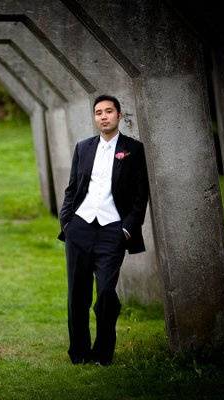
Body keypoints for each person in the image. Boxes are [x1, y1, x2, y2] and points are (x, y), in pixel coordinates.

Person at [57, 94, 149, 366]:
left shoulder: (133, 149)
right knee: (77, 294)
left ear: (119, 116)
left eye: (109, 111)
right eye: (99, 112)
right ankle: (79, 353)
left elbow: (140, 195)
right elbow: (73, 188)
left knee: (106, 293)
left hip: (113, 231)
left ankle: (103, 353)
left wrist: (127, 229)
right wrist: (67, 222)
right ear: (95, 117)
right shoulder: (83, 147)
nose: (104, 116)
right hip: (80, 228)